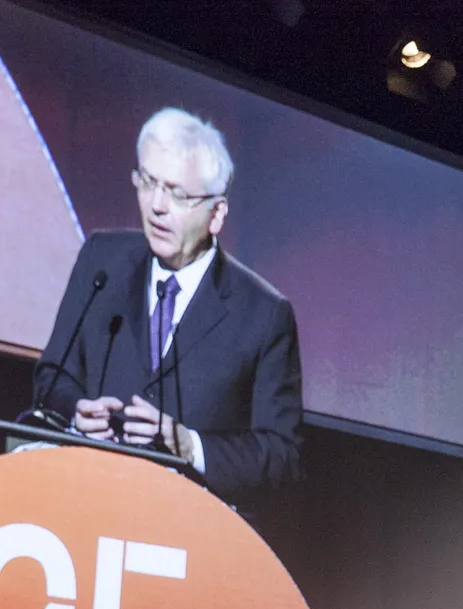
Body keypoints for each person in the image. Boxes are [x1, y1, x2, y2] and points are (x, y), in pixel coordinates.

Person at [31, 107, 301, 500]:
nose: (156, 205)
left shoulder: (263, 314)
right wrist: (76, 413)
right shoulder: (101, 261)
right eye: (148, 182)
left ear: (216, 214)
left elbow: (281, 456)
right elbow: (53, 376)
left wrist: (190, 446)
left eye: (177, 193)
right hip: (86, 498)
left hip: (190, 520)